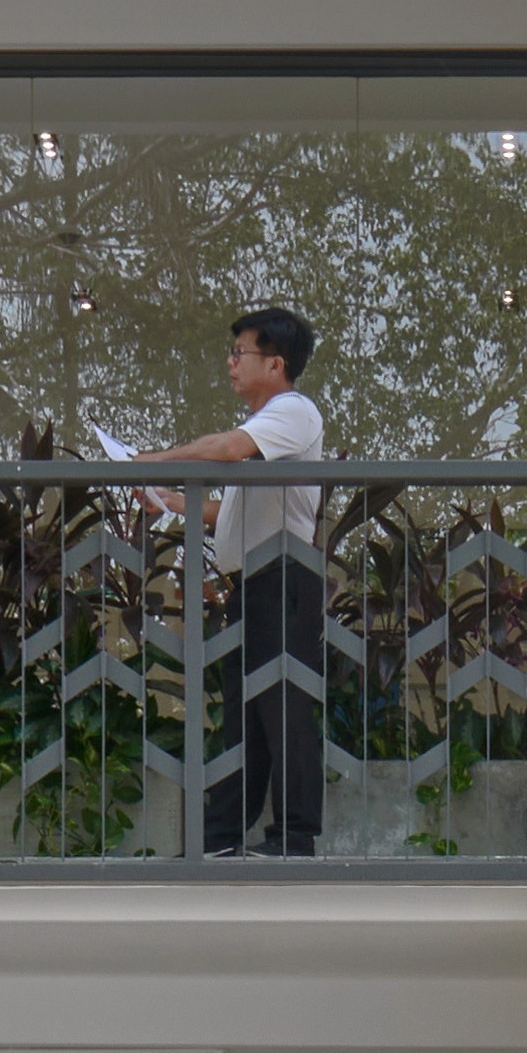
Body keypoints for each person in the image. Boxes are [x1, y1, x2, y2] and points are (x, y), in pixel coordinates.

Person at [133, 299, 333, 856]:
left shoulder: (293, 411)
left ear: (276, 363)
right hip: (256, 582)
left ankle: (294, 837)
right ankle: (221, 837)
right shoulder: (267, 431)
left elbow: (225, 449)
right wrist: (174, 500)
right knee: (245, 714)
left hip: (284, 579)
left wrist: (153, 459)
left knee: (283, 709)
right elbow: (236, 512)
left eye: (240, 352)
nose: (231, 362)